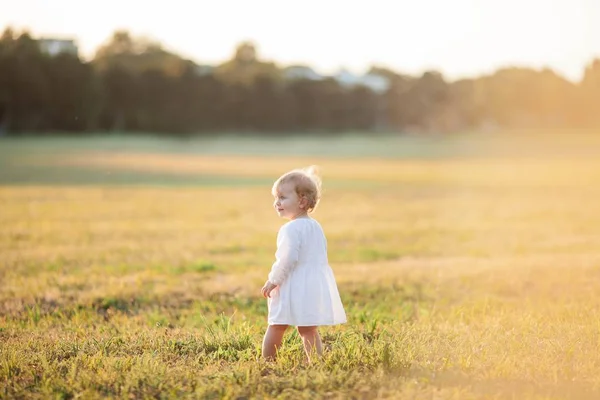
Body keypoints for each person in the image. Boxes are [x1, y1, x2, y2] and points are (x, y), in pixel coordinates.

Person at [261, 166, 347, 362]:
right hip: (311, 286)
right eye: (276, 198)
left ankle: (267, 361)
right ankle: (315, 361)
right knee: (308, 328)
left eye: (282, 198)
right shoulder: (315, 226)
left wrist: (273, 281)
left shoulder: (290, 229)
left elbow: (287, 259)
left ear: (302, 201)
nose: (277, 203)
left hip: (292, 284)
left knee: (277, 325)